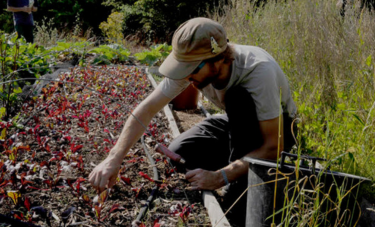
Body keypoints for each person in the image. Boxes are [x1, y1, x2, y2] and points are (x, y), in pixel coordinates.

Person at [89, 17, 297, 195]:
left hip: (277, 131)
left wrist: (221, 177)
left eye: (190, 70)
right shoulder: (196, 67)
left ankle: (249, 180)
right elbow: (147, 109)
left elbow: (274, 145)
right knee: (181, 152)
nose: (186, 76)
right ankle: (238, 163)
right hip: (237, 123)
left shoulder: (258, 72)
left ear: (216, 60)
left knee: (237, 98)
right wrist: (113, 159)